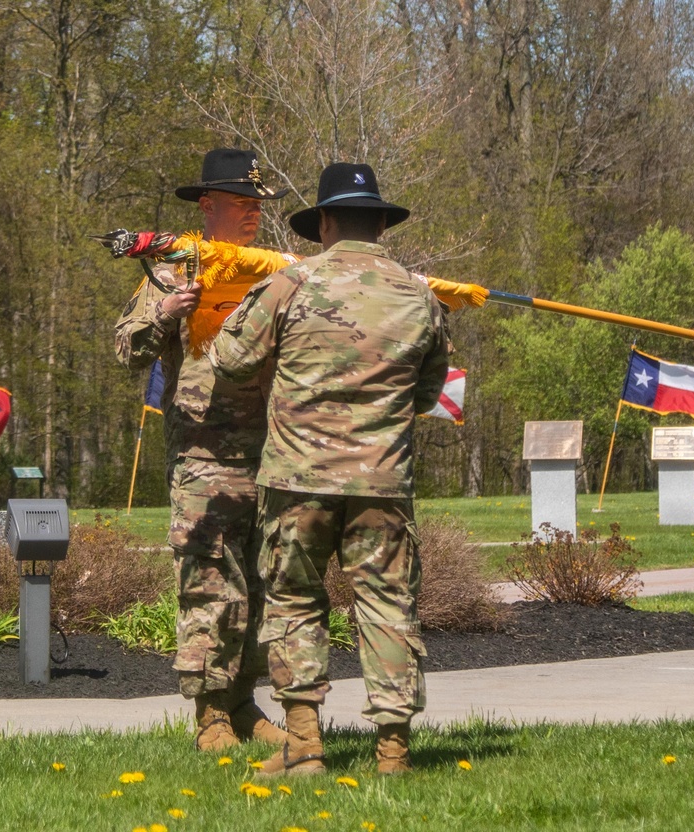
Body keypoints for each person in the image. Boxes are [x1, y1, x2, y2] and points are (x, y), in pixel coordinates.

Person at [209, 162, 450, 777]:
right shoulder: (420, 295)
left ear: (323, 222)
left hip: (299, 480)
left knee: (293, 602)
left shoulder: (291, 285)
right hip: (383, 483)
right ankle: (393, 752)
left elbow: (231, 360)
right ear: (380, 224)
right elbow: (427, 394)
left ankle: (304, 745)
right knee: (388, 603)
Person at [115, 148, 292, 751]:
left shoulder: (277, 273)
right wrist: (165, 314)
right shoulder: (172, 271)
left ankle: (244, 704)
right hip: (202, 454)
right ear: (208, 206)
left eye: (257, 206)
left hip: (274, 450)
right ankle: (210, 715)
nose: (251, 216)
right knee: (209, 579)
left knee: (263, 582)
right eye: (240, 204)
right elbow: (127, 351)